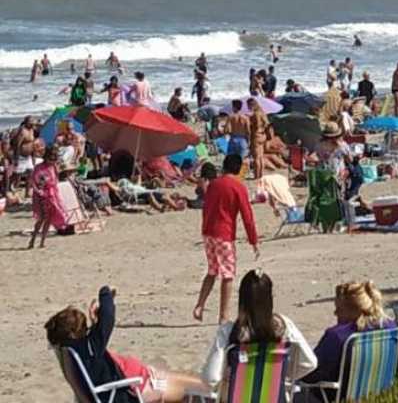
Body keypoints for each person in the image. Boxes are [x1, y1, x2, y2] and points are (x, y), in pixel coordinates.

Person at [46, 286, 209, 402]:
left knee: (195, 383)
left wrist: (95, 324)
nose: (88, 331)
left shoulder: (73, 352)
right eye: (85, 328)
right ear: (74, 334)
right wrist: (105, 292)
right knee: (198, 390)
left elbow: (94, 347)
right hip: (134, 389)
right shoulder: (89, 349)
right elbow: (108, 317)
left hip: (136, 381)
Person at [202, 270, 316, 392]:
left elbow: (211, 378)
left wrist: (227, 382)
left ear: (242, 299)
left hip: (238, 396)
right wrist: (281, 375)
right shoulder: (284, 326)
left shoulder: (229, 331)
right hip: (274, 396)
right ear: (269, 298)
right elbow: (310, 363)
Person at [193, 154, 260, 324]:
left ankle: (200, 305)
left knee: (212, 271)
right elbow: (247, 217)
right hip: (224, 234)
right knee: (227, 274)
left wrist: (206, 228)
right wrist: (253, 240)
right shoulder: (238, 187)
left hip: (208, 233)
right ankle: (223, 315)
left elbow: (206, 208)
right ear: (238, 169)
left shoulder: (214, 185)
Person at [299, 282, 394, 400]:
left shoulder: (337, 336)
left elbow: (310, 372)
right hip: (381, 396)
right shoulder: (392, 329)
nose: (335, 313)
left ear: (354, 311)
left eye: (339, 309)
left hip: (340, 397)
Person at [28, 146, 66, 249]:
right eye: (51, 158)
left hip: (52, 195)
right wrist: (40, 191)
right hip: (41, 196)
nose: (53, 161)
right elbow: (35, 182)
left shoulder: (53, 167)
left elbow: (56, 179)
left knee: (49, 219)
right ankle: (33, 240)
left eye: (54, 159)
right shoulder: (39, 168)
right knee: (42, 218)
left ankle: (42, 241)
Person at [248, 98, 271, 180]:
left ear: (252, 105)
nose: (248, 108)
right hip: (262, 135)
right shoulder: (262, 113)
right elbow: (267, 124)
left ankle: (256, 175)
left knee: (256, 158)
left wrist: (250, 122)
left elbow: (257, 125)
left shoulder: (256, 114)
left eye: (249, 106)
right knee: (261, 157)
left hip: (256, 136)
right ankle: (261, 174)